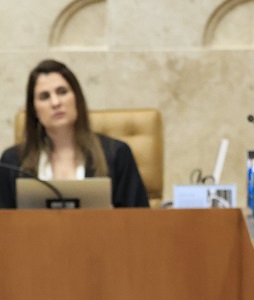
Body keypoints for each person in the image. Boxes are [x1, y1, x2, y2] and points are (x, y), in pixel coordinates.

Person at [0, 59, 149, 209]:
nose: (55, 103)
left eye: (62, 92)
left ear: (77, 98)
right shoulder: (12, 162)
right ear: (35, 110)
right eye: (45, 96)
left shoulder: (116, 154)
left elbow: (141, 219)